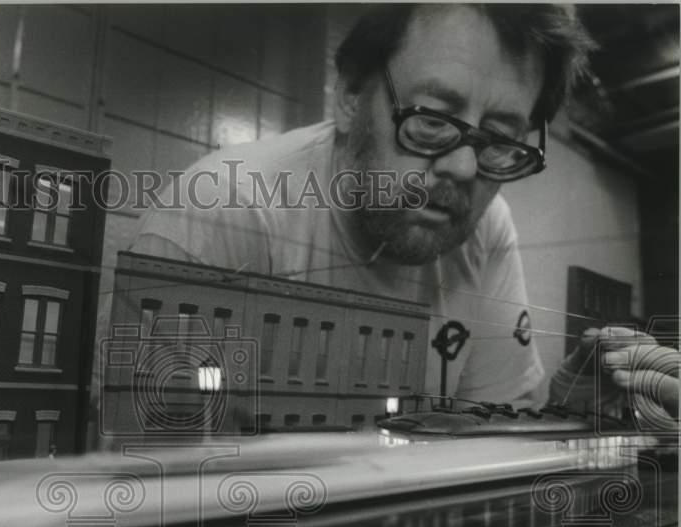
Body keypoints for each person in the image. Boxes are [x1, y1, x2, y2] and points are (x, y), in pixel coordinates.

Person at [127, 4, 678, 423]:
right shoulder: (225, 209)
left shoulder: (486, 224)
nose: (463, 168)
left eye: (500, 138)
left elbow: (484, 442)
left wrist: (570, 412)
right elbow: (154, 490)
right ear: (350, 95)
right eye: (433, 119)